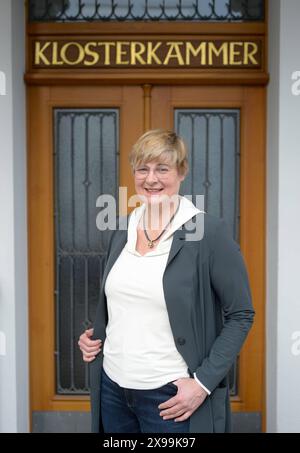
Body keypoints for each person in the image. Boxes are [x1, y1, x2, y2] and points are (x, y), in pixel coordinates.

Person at [78, 129, 255, 433]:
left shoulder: (206, 232)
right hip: (113, 390)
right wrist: (96, 336)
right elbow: (125, 301)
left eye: (162, 168)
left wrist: (202, 383)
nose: (151, 178)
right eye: (142, 168)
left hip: (170, 398)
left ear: (181, 172)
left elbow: (241, 314)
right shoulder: (123, 228)